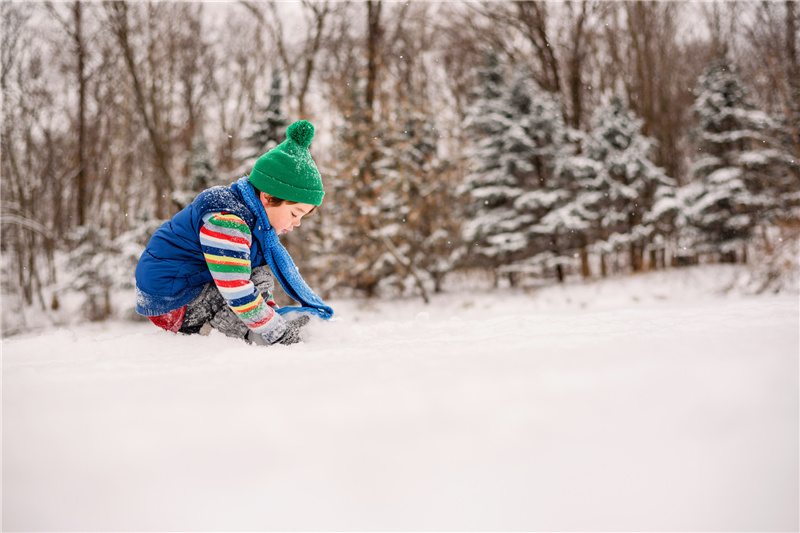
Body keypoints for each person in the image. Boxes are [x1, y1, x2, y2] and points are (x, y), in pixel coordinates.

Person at [134, 119, 333, 346]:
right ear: (268, 197)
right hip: (172, 299)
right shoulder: (229, 221)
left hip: (186, 287)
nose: (297, 223)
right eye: (295, 213)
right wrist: (278, 332)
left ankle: (255, 327)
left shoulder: (249, 215)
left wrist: (271, 317)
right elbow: (235, 287)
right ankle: (234, 335)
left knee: (260, 277)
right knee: (251, 285)